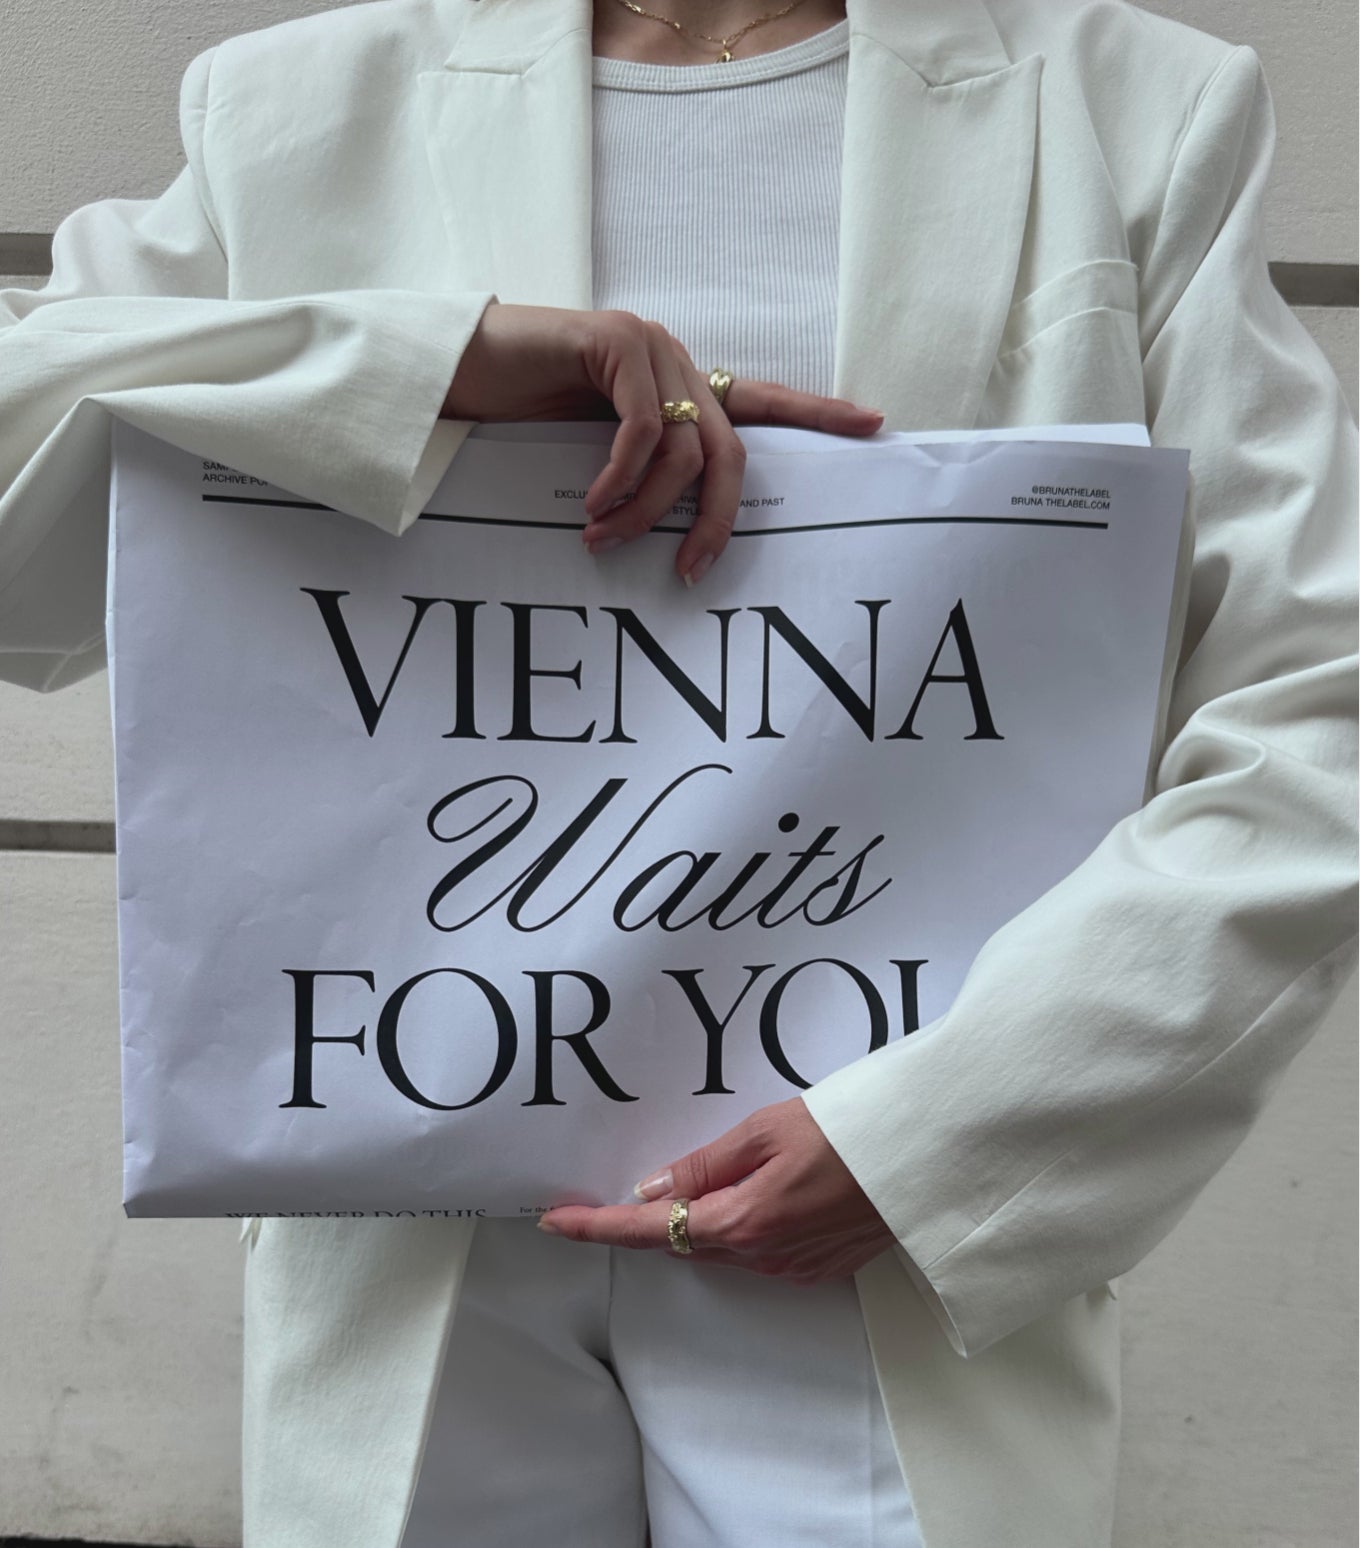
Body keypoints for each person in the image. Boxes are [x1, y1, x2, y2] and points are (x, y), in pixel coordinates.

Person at [1, 1, 1355, 1545]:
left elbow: (1317, 696)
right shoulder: (295, 108)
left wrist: (947, 1134)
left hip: (870, 1243)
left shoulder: (1130, 102)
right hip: (405, 1238)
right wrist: (418, 369)